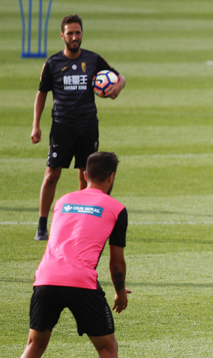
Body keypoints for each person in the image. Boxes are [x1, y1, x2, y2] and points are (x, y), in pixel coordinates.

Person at [10, 152, 130, 358]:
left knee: (35, 344)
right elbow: (117, 262)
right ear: (111, 178)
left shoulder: (63, 202)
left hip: (46, 278)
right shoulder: (116, 208)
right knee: (107, 349)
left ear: (85, 175)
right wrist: (120, 293)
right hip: (81, 283)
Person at [31, 14, 126, 241]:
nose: (74, 37)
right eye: (70, 33)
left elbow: (119, 77)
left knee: (86, 177)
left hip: (87, 127)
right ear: (62, 35)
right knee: (52, 175)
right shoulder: (53, 64)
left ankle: (83, 223)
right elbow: (41, 93)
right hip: (62, 128)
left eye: (78, 32)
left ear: (82, 34)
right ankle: (42, 225)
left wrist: (117, 88)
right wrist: (36, 125)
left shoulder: (93, 60)